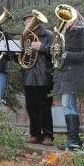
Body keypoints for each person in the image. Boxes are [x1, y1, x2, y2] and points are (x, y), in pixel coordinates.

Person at [54, 10, 84, 150]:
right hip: (65, 73)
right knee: (69, 105)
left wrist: (66, 54)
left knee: (67, 104)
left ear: (75, 18)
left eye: (67, 18)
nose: (64, 21)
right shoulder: (66, 33)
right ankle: (74, 140)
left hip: (74, 73)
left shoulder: (81, 31)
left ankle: (73, 140)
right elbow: (58, 52)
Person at [19, 12, 54, 146]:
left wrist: (42, 47)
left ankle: (48, 135)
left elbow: (55, 52)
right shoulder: (25, 37)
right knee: (31, 107)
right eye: (26, 22)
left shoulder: (48, 35)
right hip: (28, 76)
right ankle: (35, 134)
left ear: (37, 22)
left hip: (43, 77)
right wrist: (18, 55)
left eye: (30, 21)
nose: (27, 24)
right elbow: (23, 60)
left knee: (44, 107)